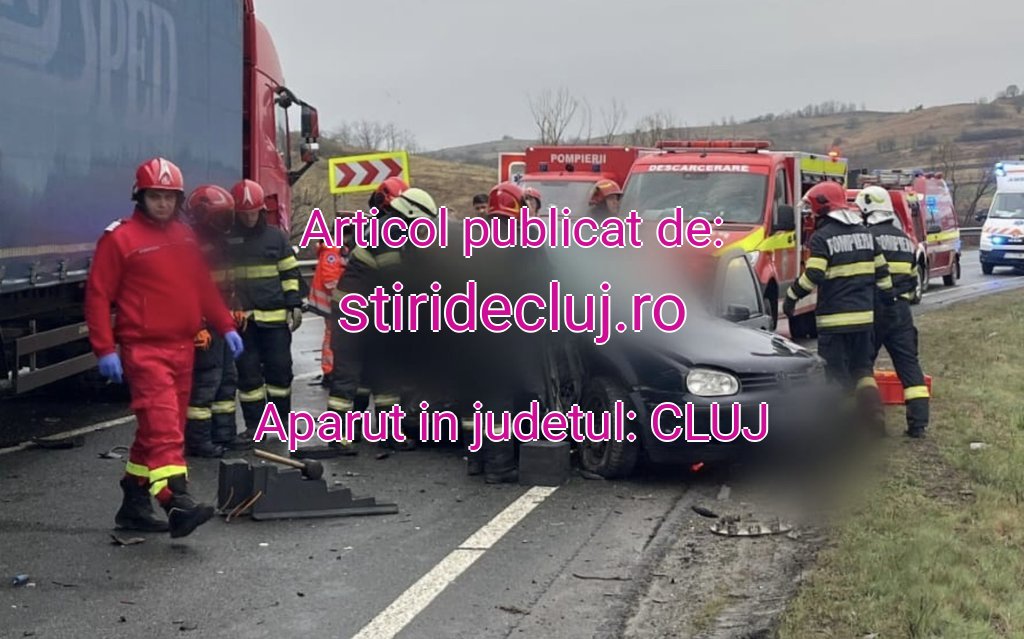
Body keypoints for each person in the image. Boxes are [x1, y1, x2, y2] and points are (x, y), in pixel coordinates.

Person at [84, 157, 243, 538]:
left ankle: (134, 503)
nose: (163, 203)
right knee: (166, 428)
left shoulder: (184, 236)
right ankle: (176, 500)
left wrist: (225, 324)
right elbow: (98, 295)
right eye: (155, 196)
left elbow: (202, 287)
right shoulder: (119, 239)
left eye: (169, 197)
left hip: (183, 348)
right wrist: (104, 348)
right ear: (140, 197)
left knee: (155, 430)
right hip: (145, 350)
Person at [327, 178, 432, 451]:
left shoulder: (390, 227)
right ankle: (336, 435)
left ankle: (386, 432)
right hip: (355, 313)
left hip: (370, 313)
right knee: (348, 374)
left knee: (383, 372)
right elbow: (395, 279)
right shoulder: (390, 230)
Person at [783, 181, 895, 434]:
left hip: (834, 321)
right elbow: (883, 273)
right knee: (863, 370)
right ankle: (874, 417)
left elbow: (814, 274)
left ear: (822, 207)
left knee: (836, 376)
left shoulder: (822, 237)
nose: (811, 215)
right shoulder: (866, 234)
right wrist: (889, 303)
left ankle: (844, 430)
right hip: (864, 319)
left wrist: (791, 297)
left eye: (812, 209)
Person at [227, 179, 308, 449]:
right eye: (244, 213)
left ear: (261, 210)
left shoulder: (276, 237)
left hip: (275, 321)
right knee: (248, 377)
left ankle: (281, 422)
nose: (249, 218)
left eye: (253, 212)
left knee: (280, 373)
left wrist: (294, 304)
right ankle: (255, 427)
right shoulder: (229, 239)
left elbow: (290, 274)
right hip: (244, 322)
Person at [856, 186, 930, 437]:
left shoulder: (867, 237)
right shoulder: (905, 240)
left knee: (863, 363)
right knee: (909, 365)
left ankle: (872, 418)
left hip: (875, 308)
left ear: (868, 210)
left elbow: (863, 275)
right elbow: (912, 278)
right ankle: (918, 424)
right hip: (901, 311)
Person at [183, 184, 242, 457]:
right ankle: (198, 440)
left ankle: (224, 434)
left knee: (227, 379)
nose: (225, 223)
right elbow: (186, 292)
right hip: (206, 327)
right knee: (207, 383)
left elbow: (227, 285)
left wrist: (235, 308)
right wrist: (197, 326)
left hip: (222, 325)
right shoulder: (192, 246)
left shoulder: (221, 244)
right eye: (220, 216)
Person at [307, 235, 347, 387]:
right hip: (332, 303)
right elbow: (330, 280)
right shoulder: (333, 250)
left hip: (333, 302)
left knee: (333, 335)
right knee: (333, 336)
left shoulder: (336, 249)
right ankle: (330, 371)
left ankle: (331, 369)